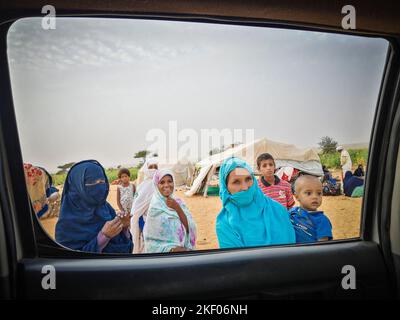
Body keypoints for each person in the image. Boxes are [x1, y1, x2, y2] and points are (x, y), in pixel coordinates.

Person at [216, 157, 295, 249]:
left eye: (248, 179)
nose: (245, 188)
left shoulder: (278, 210)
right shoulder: (224, 223)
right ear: (226, 187)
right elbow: (235, 260)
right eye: (236, 182)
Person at [55, 160, 133, 253]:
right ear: (78, 186)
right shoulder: (66, 225)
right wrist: (104, 237)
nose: (100, 185)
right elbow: (71, 261)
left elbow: (127, 247)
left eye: (102, 181)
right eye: (92, 181)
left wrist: (124, 228)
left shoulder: (107, 209)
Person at [143, 169, 197, 253]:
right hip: (165, 259)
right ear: (156, 185)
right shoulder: (155, 208)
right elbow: (151, 241)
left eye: (169, 181)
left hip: (183, 252)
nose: (167, 185)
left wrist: (177, 208)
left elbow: (190, 228)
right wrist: (171, 249)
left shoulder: (179, 202)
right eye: (162, 182)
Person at [289, 175, 333, 243]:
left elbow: (323, 247)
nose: (315, 197)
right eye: (309, 193)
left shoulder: (322, 220)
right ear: (297, 196)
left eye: (319, 193)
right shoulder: (292, 213)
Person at [130, 158, 158, 253]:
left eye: (155, 167)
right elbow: (137, 205)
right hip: (144, 219)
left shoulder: (160, 183)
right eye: (150, 167)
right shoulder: (142, 185)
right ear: (146, 169)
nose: (153, 169)